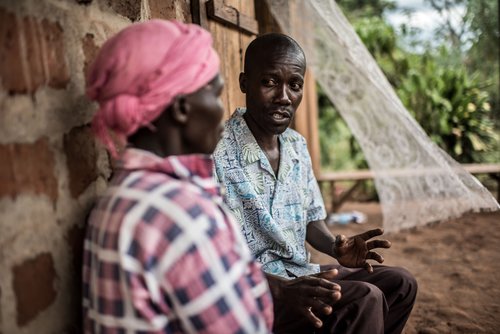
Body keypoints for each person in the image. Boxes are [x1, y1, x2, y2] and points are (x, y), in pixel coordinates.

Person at [213, 33, 418, 334]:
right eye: (269, 82)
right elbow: (207, 252)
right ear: (244, 82)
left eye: (294, 85)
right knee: (365, 298)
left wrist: (337, 247)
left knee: (400, 284)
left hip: (299, 274)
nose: (284, 96)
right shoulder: (216, 149)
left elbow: (310, 220)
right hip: (252, 290)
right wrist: (278, 288)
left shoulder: (296, 146)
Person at [82, 20, 273, 333]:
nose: (221, 112)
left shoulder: (120, 197)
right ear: (182, 108)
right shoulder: (183, 214)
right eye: (215, 94)